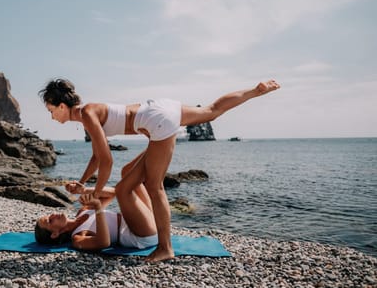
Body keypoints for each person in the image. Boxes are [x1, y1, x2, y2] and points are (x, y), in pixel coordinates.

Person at [39, 78, 280, 261]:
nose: (52, 117)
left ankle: (165, 248)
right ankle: (254, 90)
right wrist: (82, 184)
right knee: (211, 111)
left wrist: (96, 192)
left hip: (156, 122)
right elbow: (96, 156)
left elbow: (106, 160)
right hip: (158, 108)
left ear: (62, 106)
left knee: (152, 187)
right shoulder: (88, 112)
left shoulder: (87, 115)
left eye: (51, 111)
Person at [35, 182, 158, 251]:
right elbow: (103, 243)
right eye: (50, 220)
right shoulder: (78, 238)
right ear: (55, 234)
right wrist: (98, 207)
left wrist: (86, 191)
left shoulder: (83, 211)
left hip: (142, 221)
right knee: (125, 188)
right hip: (139, 235)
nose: (53, 215)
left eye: (49, 215)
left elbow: (113, 194)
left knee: (131, 175)